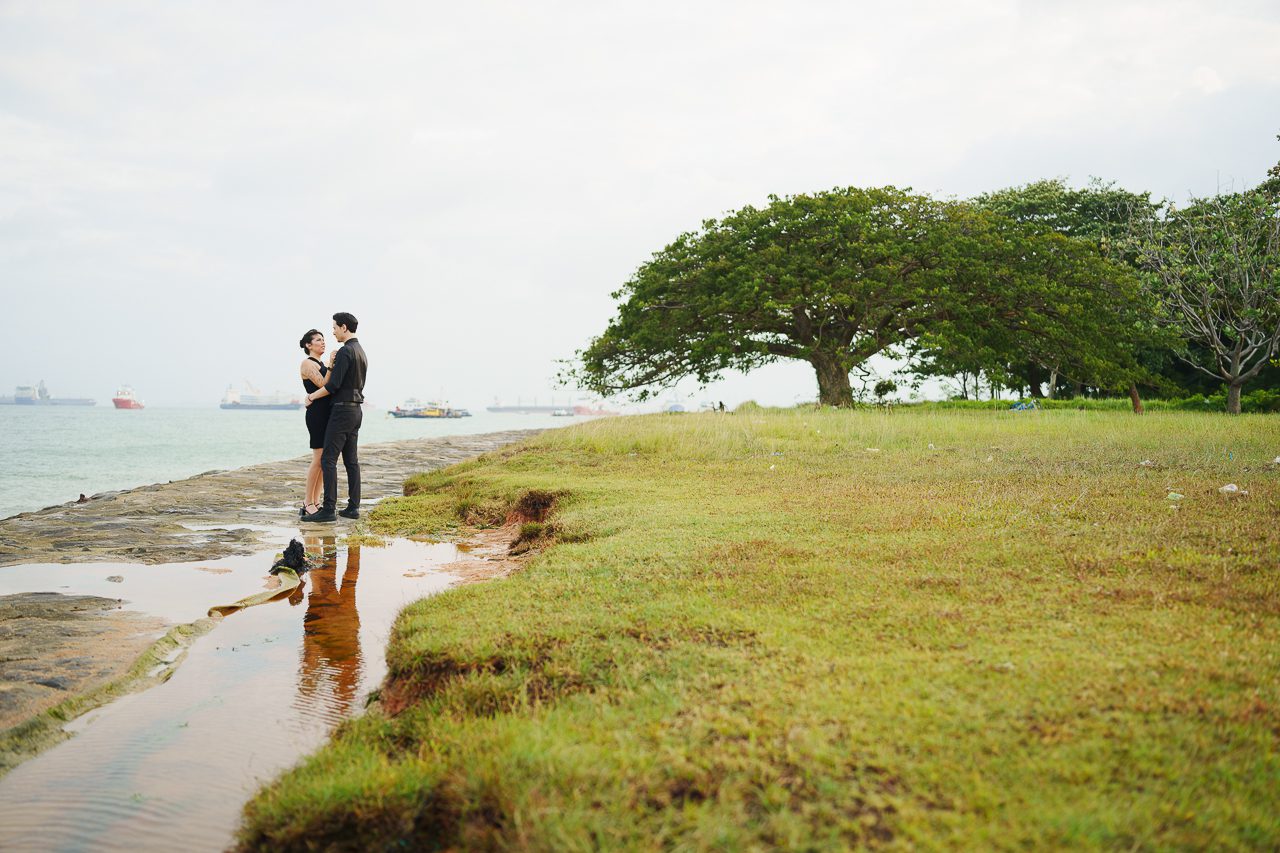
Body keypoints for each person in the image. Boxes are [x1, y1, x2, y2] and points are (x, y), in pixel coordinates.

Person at [302, 312, 367, 522]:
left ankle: (328, 509)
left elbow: (331, 385)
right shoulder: (361, 352)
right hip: (356, 410)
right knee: (351, 461)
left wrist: (310, 396)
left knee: (328, 460)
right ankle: (353, 507)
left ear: (344, 327)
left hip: (342, 411)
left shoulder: (346, 351)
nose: (333, 332)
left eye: (335, 328)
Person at [298, 328, 335, 516]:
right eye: (318, 340)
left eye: (323, 339)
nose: (323, 342)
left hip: (327, 414)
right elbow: (324, 385)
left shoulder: (323, 363)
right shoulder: (307, 363)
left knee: (324, 460)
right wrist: (331, 366)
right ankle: (307, 502)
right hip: (316, 415)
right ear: (308, 345)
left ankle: (316, 500)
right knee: (318, 458)